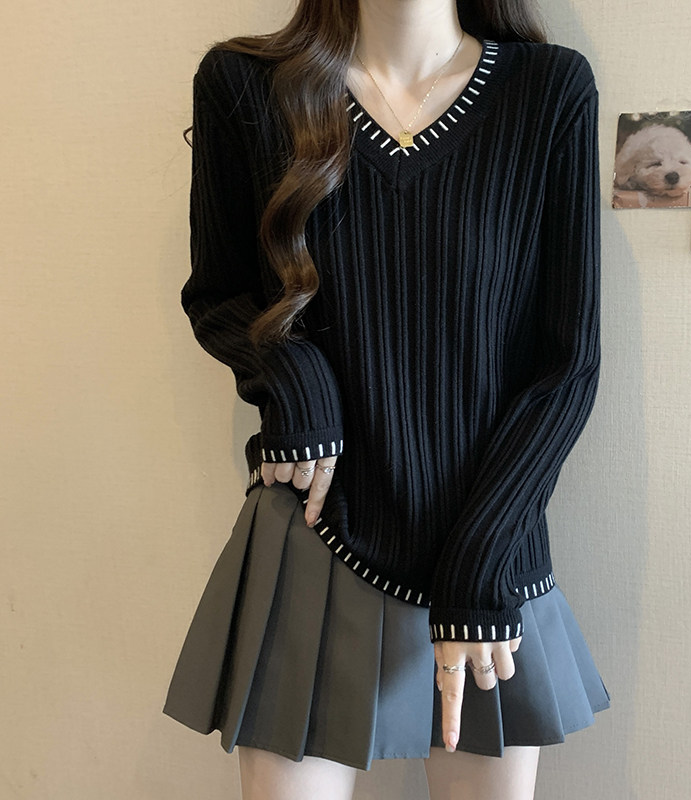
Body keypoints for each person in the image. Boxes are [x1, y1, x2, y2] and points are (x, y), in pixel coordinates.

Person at [162, 1, 610, 798]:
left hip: (488, 542)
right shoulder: (245, 85)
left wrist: (481, 566)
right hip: (314, 531)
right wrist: (295, 380)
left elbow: (565, 365)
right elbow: (219, 295)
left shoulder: (547, 90)